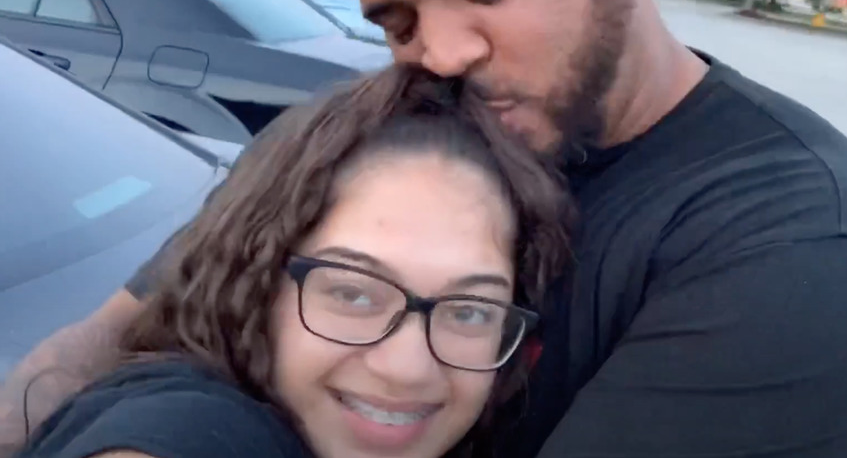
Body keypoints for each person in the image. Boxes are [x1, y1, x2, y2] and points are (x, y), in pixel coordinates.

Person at [0, 0, 847, 457]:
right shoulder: (381, 129)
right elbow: (113, 337)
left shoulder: (808, 247)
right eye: (398, 21)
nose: (441, 53)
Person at [9, 66, 572, 458]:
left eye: (469, 310)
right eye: (353, 292)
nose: (407, 369)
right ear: (256, 287)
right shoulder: (194, 425)